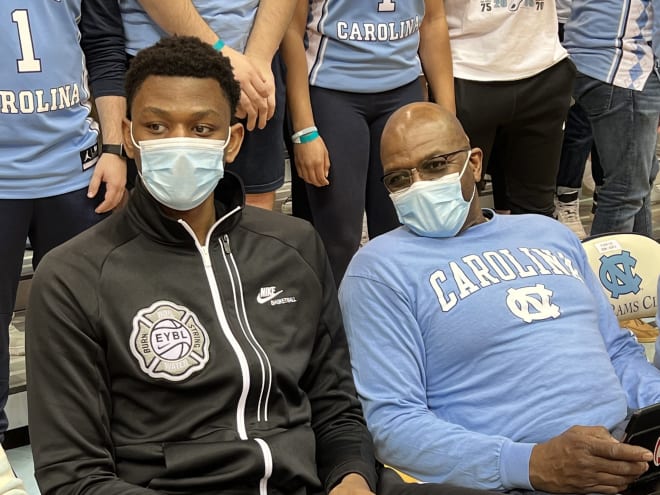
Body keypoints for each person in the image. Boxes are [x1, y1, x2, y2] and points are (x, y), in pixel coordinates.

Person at [24, 37, 495, 495]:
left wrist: (351, 478)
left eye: (202, 128)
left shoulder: (292, 247)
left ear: (232, 142)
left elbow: (337, 408)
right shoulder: (72, 277)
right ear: (129, 136)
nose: (179, 144)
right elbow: (74, 477)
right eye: (157, 127)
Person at [339, 102, 660, 493]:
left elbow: (618, 352)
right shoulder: (377, 270)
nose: (419, 185)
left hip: (631, 456)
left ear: (474, 164)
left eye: (436, 165)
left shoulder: (550, 234)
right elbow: (393, 423)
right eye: (399, 179)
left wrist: (656, 410)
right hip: (516, 480)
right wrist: (529, 465)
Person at [0, 0, 126, 443]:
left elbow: (105, 44)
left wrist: (113, 149)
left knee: (86, 321)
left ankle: (89, 442)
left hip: (77, 170)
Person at [281, 0, 455, 284]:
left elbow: (433, 22)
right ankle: (336, 324)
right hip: (332, 93)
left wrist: (448, 118)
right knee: (339, 237)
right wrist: (304, 131)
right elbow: (291, 30)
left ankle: (396, 314)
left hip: (402, 92)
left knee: (403, 227)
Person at [119, 0, 296, 210]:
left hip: (256, 59)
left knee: (254, 199)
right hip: (160, 58)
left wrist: (259, 56)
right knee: (160, 199)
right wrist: (219, 52)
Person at [443, 0, 574, 217]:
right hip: (465, 72)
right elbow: (431, 18)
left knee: (537, 213)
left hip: (543, 67)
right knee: (457, 210)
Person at [563, 0, 660, 237]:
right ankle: (607, 273)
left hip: (588, 56)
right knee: (625, 191)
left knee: (637, 184)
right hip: (625, 65)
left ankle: (644, 268)